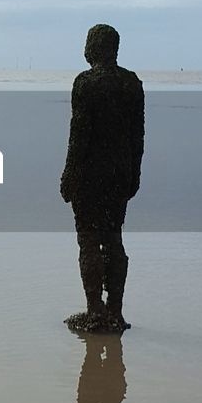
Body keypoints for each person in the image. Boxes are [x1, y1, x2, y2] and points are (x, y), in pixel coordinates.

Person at [60, 24, 144, 332]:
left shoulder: (86, 83)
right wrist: (134, 174)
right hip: (120, 174)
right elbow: (138, 137)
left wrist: (69, 175)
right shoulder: (131, 84)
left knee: (89, 241)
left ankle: (95, 309)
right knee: (114, 239)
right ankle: (115, 312)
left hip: (90, 174)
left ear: (92, 48)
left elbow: (79, 135)